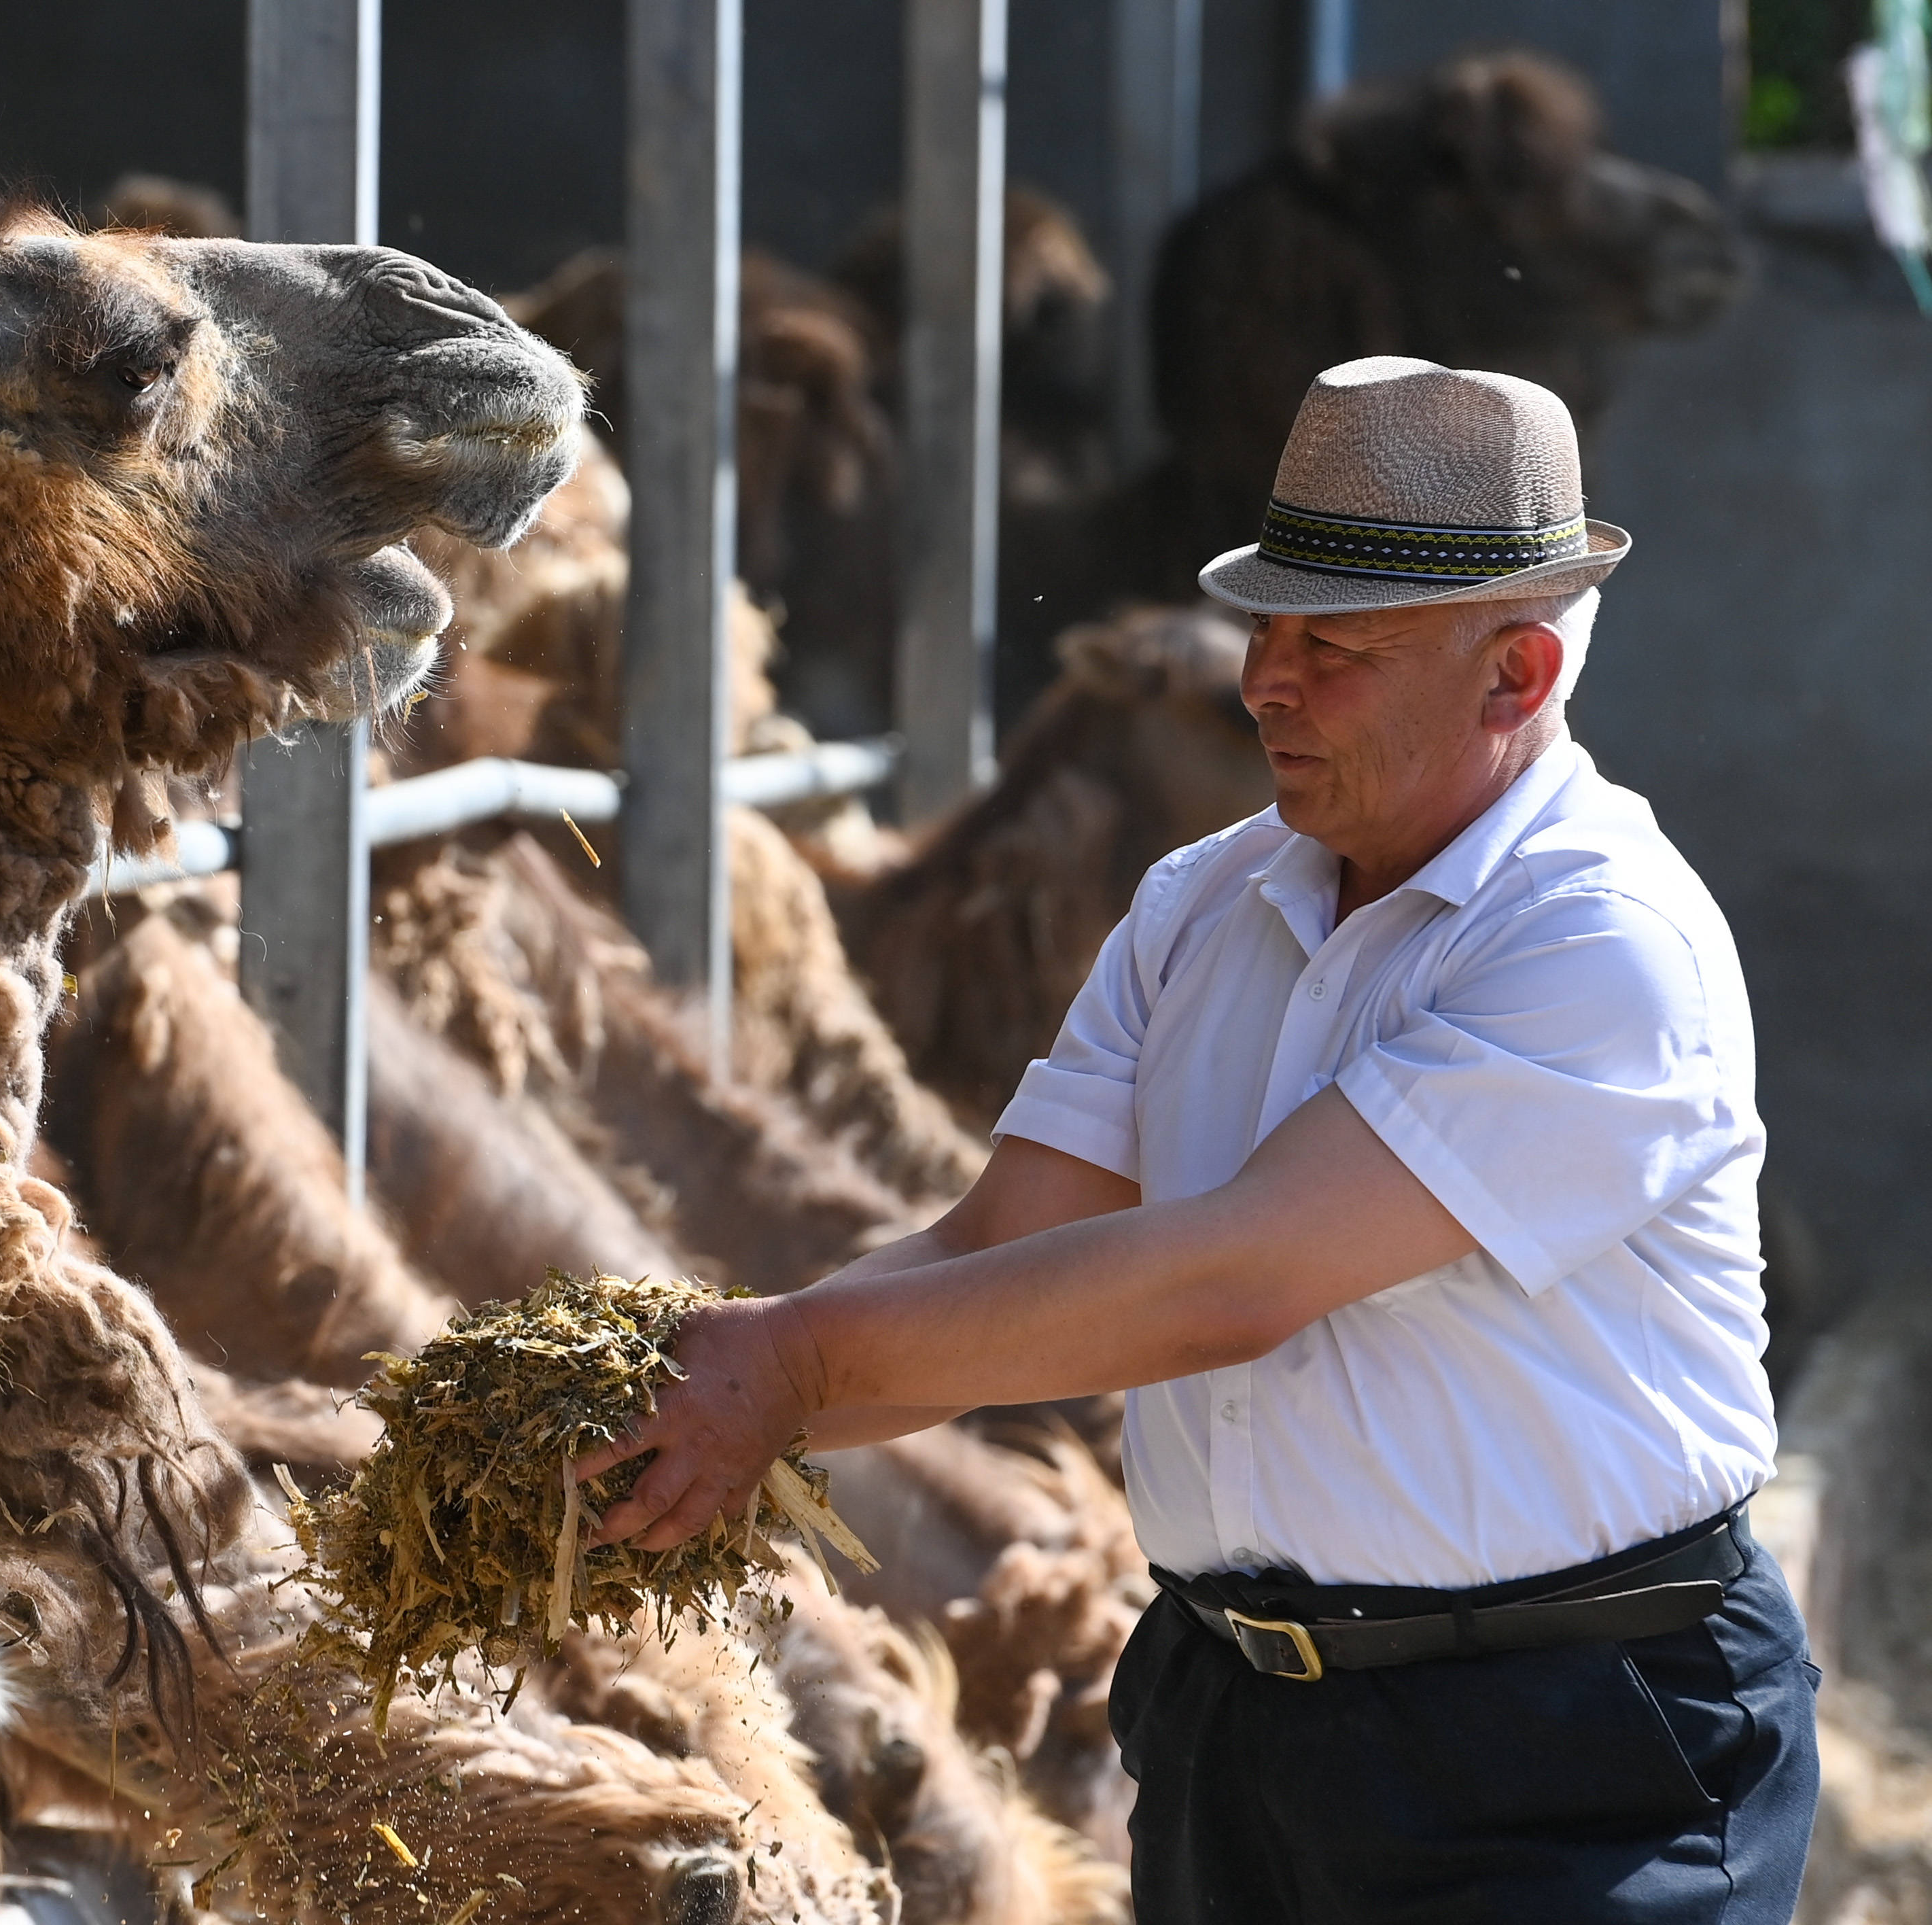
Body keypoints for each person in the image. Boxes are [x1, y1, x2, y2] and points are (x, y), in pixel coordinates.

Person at [579, 356, 1817, 1922]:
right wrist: (671, 1441)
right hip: (1238, 1723)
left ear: (1514, 677)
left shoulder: (1598, 941)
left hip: (1566, 1747)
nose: (1263, 684)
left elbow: (1228, 1281)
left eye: (1334, 646)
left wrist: (790, 1368)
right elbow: (994, 1254)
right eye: (1265, 627)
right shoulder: (1203, 907)